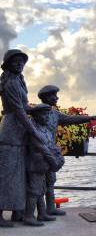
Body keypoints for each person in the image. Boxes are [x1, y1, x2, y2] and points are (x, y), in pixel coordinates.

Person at [0, 49, 50, 227]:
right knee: (7, 175)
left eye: (22, 61)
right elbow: (20, 112)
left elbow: (25, 107)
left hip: (18, 131)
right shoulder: (11, 83)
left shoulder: (19, 81)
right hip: (11, 131)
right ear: (8, 64)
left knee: (17, 174)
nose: (20, 64)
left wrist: (40, 108)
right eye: (16, 61)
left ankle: (17, 212)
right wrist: (35, 131)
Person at [38, 85, 96, 216]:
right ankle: (41, 212)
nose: (57, 97)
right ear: (46, 97)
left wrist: (90, 118)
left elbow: (71, 119)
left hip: (51, 151)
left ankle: (50, 208)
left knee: (50, 180)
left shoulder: (55, 114)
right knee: (39, 183)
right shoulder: (37, 112)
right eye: (54, 95)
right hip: (39, 151)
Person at [24, 104, 65, 226]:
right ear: (36, 116)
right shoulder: (33, 130)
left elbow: (51, 145)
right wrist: (54, 161)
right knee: (34, 191)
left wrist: (58, 155)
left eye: (48, 114)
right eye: (44, 115)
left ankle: (42, 214)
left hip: (44, 165)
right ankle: (29, 216)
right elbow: (41, 148)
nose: (47, 117)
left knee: (42, 190)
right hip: (35, 165)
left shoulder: (45, 129)